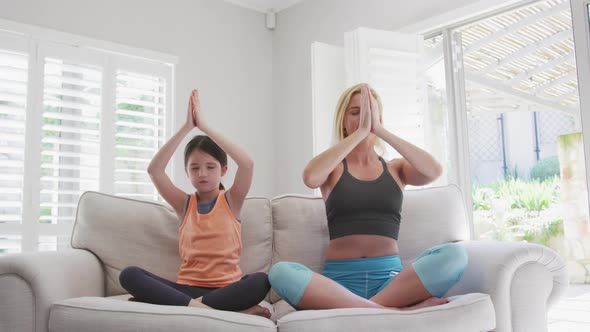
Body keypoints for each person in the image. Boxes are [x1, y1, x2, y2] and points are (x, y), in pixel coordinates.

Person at [268, 83, 467, 311]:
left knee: (455, 255)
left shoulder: (396, 169)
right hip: (337, 284)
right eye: (355, 113)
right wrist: (360, 132)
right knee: (280, 272)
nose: (364, 119)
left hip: (391, 283)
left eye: (369, 114)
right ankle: (394, 311)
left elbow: (434, 171)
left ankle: (364, 308)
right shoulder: (333, 168)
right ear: (342, 119)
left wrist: (380, 130)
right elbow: (310, 177)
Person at [119, 89, 270, 317]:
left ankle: (182, 306)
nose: (202, 173)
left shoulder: (231, 200)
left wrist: (205, 126)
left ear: (223, 170)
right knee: (129, 275)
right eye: (195, 167)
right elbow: (154, 170)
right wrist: (186, 128)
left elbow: (247, 164)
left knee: (261, 281)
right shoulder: (184, 204)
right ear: (187, 172)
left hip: (226, 289)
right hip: (187, 289)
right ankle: (218, 310)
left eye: (211, 167)